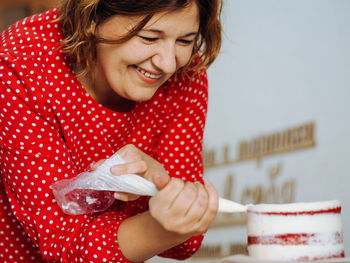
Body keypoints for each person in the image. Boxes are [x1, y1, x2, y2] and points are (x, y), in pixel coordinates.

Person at [0, 0, 223, 262]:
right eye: (149, 37)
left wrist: (159, 184)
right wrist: (160, 226)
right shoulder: (20, 62)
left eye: (185, 41)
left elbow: (185, 242)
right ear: (91, 17)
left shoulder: (186, 73)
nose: (168, 64)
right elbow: (64, 243)